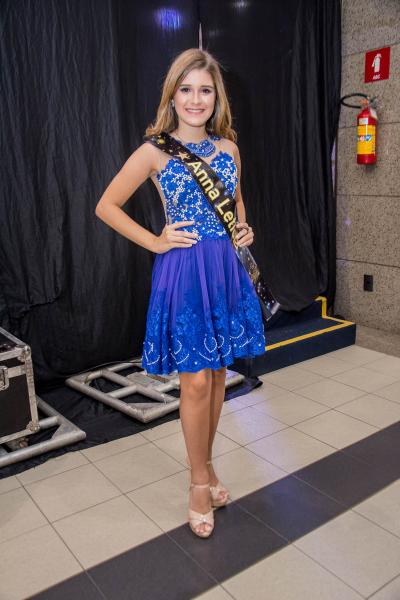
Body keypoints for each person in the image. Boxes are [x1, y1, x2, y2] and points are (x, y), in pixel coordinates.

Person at [95, 48, 266, 538]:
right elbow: (106, 205)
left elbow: (236, 203)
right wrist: (155, 241)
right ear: (172, 96)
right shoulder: (154, 151)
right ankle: (197, 483)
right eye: (186, 89)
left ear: (217, 97)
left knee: (218, 375)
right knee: (194, 383)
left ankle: (207, 467)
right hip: (186, 270)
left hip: (225, 269)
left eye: (205, 90)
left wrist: (243, 228)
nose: (195, 99)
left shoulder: (229, 149)